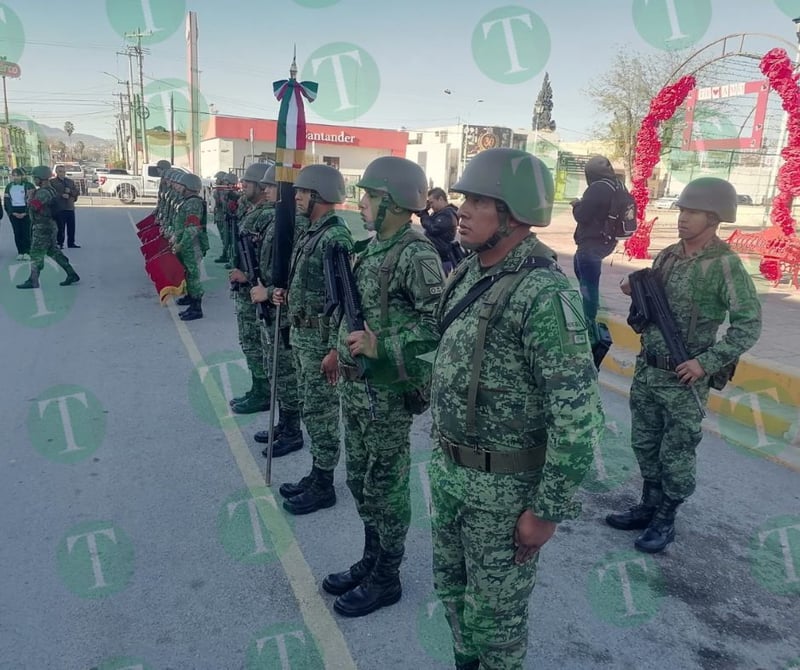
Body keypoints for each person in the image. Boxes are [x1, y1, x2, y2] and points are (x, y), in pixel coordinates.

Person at [428, 148, 603, 670]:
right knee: (454, 600)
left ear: (514, 214)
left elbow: (576, 418)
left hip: (504, 495)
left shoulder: (542, 294)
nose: (463, 210)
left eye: (479, 201)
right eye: (464, 198)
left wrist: (546, 511)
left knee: (497, 624)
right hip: (452, 474)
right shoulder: (469, 272)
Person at [606, 177, 762, 553]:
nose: (682, 218)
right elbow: (648, 310)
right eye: (681, 211)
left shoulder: (725, 265)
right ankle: (647, 505)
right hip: (649, 370)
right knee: (644, 443)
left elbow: (749, 324)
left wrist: (704, 363)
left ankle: (666, 518)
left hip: (683, 378)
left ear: (714, 217)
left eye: (692, 212)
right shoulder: (668, 255)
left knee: (675, 452)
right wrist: (634, 290)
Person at [321, 156, 443, 618]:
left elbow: (438, 326)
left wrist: (382, 345)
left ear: (392, 203)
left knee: (386, 486)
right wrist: (337, 348)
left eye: (369, 196)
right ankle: (371, 560)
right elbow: (357, 312)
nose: (362, 203)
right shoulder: (373, 248)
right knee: (359, 480)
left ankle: (387, 576)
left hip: (387, 393)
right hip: (356, 389)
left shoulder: (416, 253)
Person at [272, 164, 353, 516]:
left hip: (322, 343)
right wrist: (285, 295)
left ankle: (324, 482)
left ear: (319, 195)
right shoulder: (312, 232)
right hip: (304, 337)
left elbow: (347, 301)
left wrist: (337, 349)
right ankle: (316, 472)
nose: (297, 197)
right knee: (309, 406)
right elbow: (311, 286)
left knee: (321, 413)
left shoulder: (336, 239)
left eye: (303, 192)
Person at [249, 165, 304, 456]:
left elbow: (297, 280)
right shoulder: (276, 221)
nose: (266, 189)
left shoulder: (296, 224)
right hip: (271, 304)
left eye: (271, 186)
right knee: (277, 371)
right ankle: (284, 423)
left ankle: (293, 431)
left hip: (284, 310)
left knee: (286, 373)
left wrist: (269, 293)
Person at [226, 163, 272, 413]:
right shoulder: (252, 210)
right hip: (246, 290)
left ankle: (264, 392)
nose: (243, 186)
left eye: (248, 183)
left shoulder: (267, 215)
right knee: (250, 343)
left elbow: (268, 258)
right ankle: (258, 387)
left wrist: (247, 276)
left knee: (257, 344)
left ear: (261, 187)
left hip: (255, 289)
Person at [570, 155, 618, 330]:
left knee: (589, 283)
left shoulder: (597, 188)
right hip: (607, 241)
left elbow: (582, 215)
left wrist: (576, 205)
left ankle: (588, 322)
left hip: (592, 242)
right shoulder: (617, 185)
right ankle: (590, 308)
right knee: (580, 267)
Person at [16, 166, 80, 289]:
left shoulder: (43, 192)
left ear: (41, 178)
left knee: (36, 253)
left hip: (42, 227)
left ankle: (33, 280)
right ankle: (71, 273)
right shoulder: (48, 190)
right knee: (53, 251)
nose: (34, 180)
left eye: (35, 178)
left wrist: (29, 197)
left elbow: (34, 207)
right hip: (48, 225)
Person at [170, 171, 209, 321]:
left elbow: (192, 228)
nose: (178, 188)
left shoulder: (193, 203)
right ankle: (190, 299)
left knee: (193, 276)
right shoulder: (187, 201)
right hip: (186, 244)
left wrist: (180, 244)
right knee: (187, 273)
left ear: (189, 187)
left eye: (181, 185)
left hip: (192, 245)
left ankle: (196, 307)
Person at [419, 187, 459, 274]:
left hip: (442, 259)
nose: (431, 206)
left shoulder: (448, 214)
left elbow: (433, 228)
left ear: (440, 199)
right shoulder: (439, 213)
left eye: (432, 202)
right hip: (436, 257)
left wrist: (424, 214)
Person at [4, 168, 35, 260]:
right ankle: (20, 251)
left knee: (26, 232)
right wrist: (12, 212)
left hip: (26, 211)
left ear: (23, 176)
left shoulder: (29, 185)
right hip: (14, 212)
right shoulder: (9, 186)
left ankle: (27, 251)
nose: (16, 177)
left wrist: (26, 212)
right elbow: (7, 201)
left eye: (18, 175)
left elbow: (32, 200)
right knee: (17, 232)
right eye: (14, 175)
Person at [50, 165, 80, 249]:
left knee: (71, 227)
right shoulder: (52, 182)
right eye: (60, 171)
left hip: (69, 207)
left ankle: (71, 242)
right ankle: (60, 243)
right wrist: (61, 195)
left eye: (63, 171)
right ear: (56, 172)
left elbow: (76, 192)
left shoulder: (70, 182)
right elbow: (51, 193)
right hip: (59, 208)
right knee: (60, 227)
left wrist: (70, 191)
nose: (62, 173)